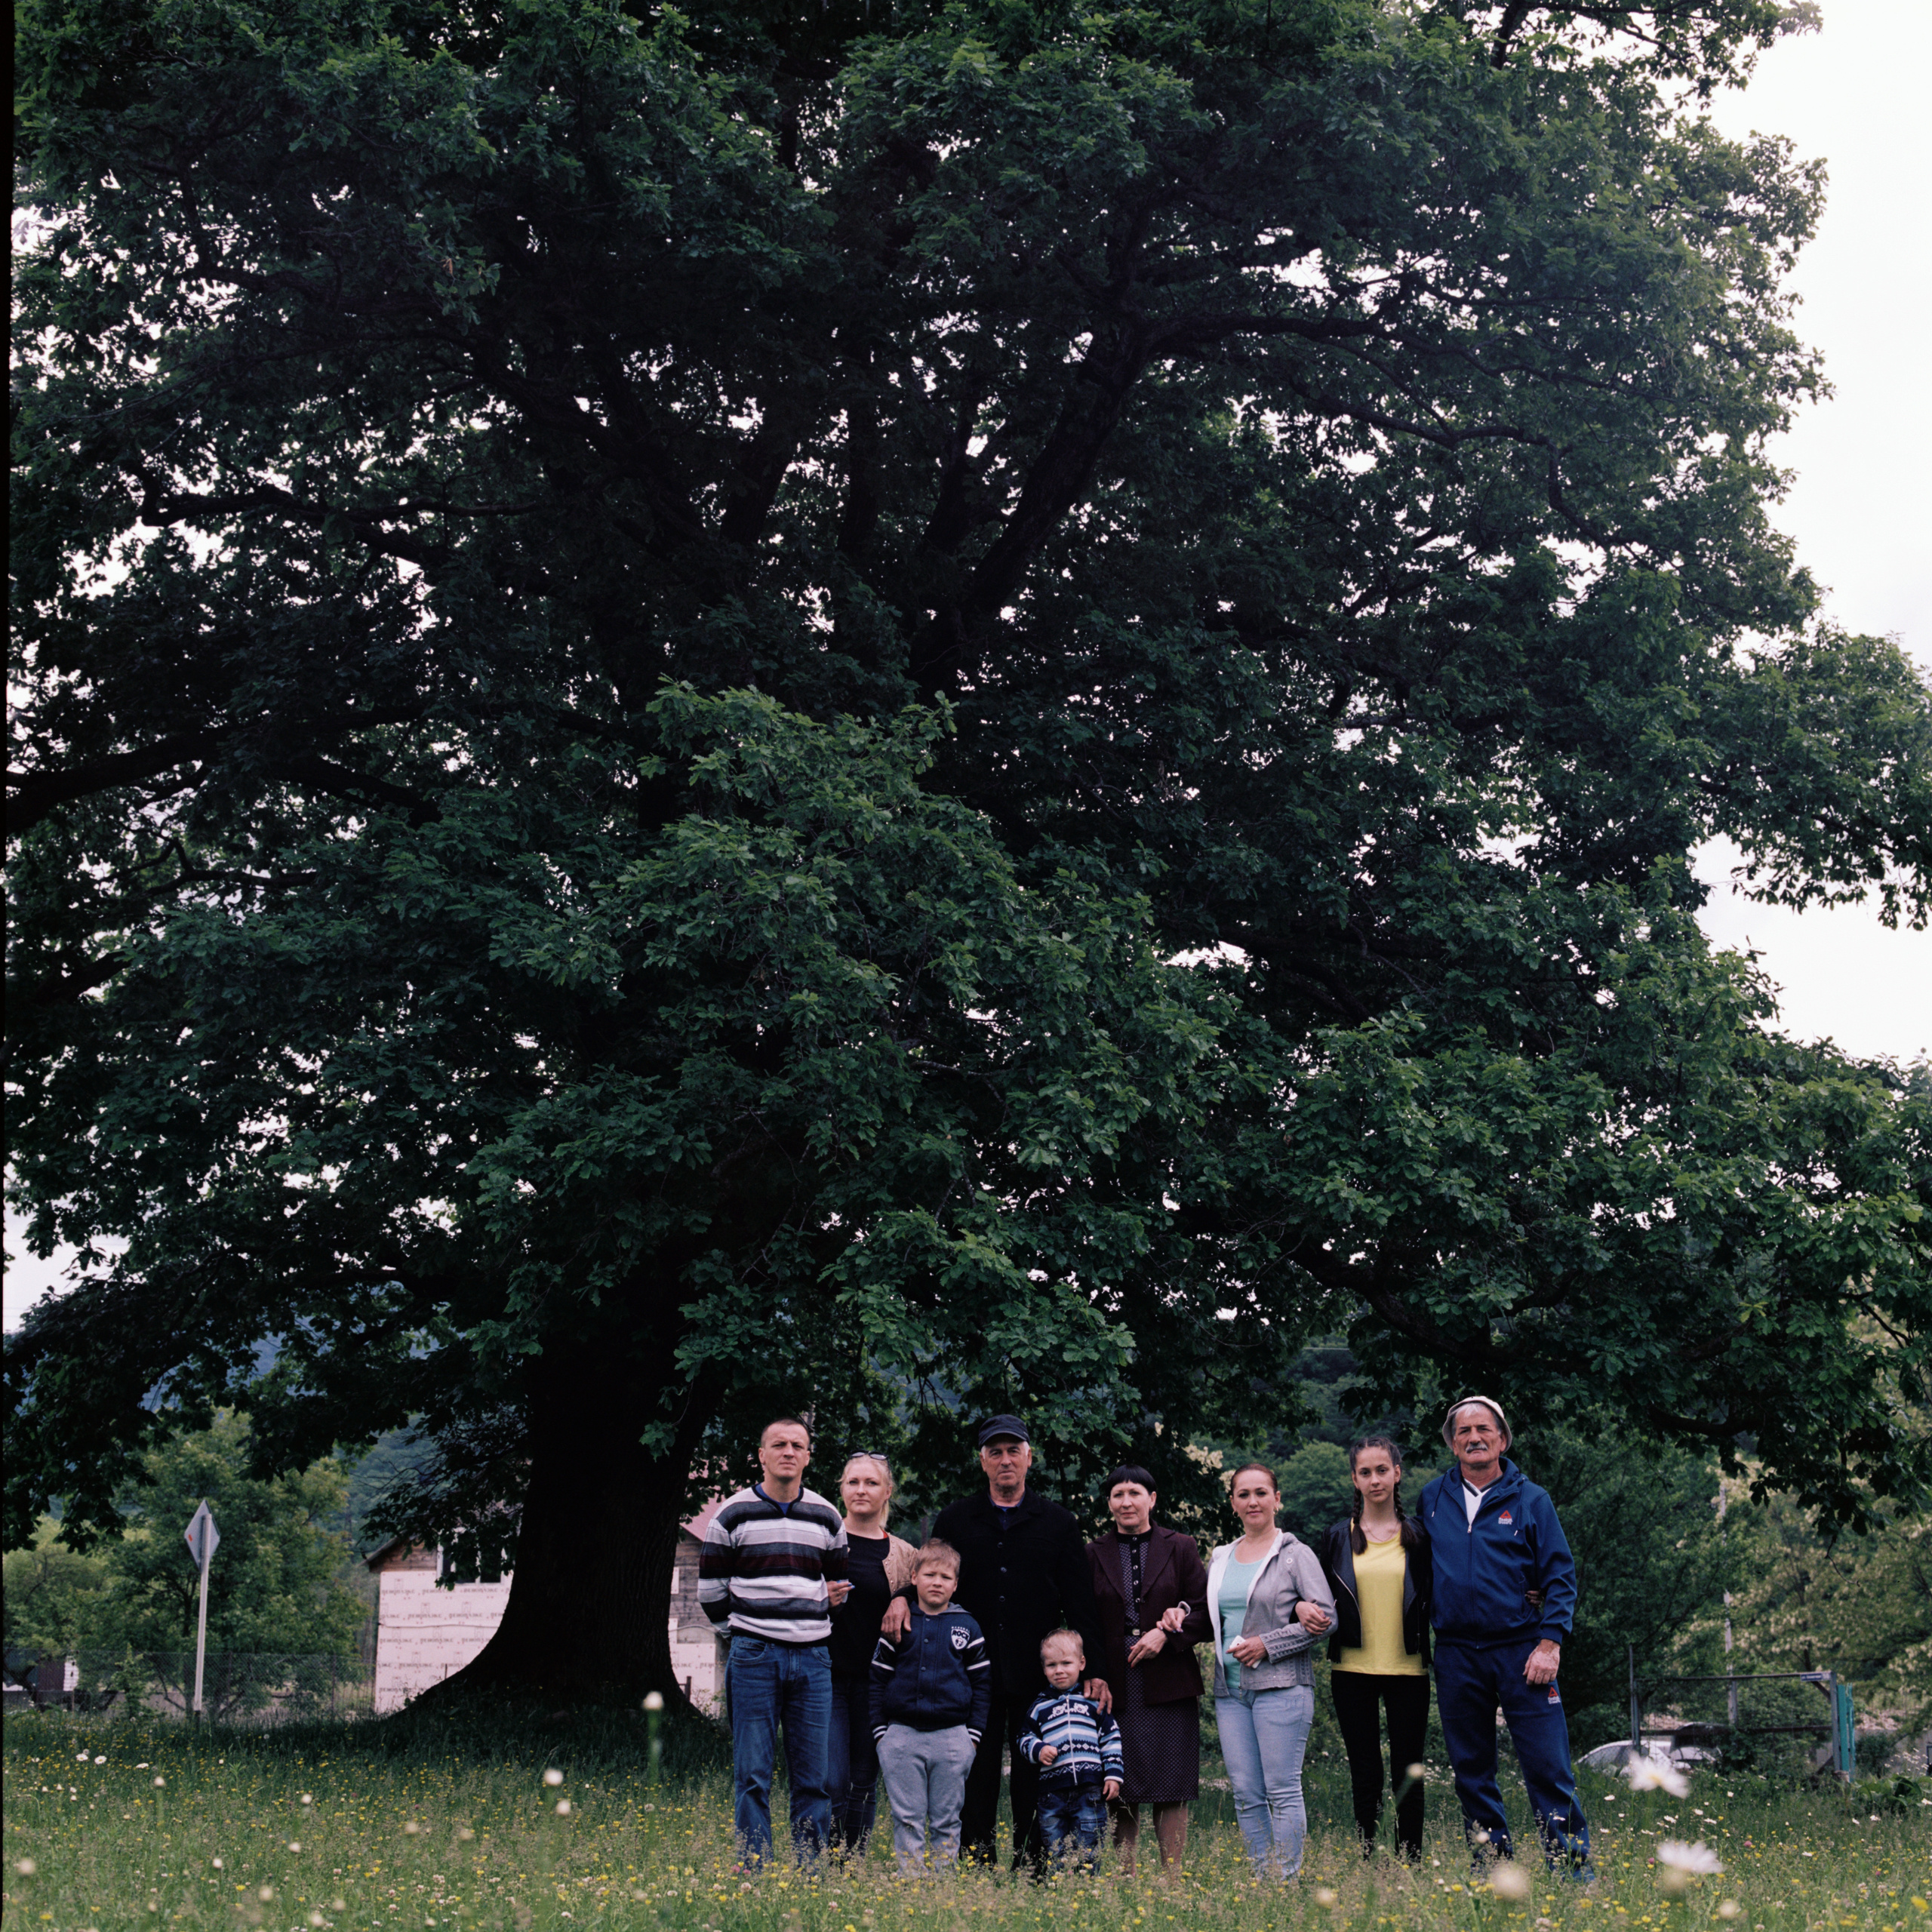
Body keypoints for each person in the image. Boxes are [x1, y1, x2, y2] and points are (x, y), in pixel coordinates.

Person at [879, 1414, 1106, 1869]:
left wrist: (1094, 1669)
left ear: (1029, 1457)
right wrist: (903, 1598)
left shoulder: (1059, 1523)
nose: (1006, 1460)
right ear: (982, 1461)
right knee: (973, 1772)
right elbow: (931, 1571)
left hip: (1035, 1670)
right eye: (995, 1452)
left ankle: (1036, 1865)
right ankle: (976, 1863)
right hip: (966, 1672)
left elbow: (1081, 1602)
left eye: (1013, 1451)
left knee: (1037, 1769)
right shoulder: (957, 1518)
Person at [1418, 1396, 1592, 1878]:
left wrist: (1550, 1642)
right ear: (1453, 1444)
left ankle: (1573, 1873)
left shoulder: (1531, 1498)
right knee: (1472, 1773)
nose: (1474, 1437)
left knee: (1548, 1769)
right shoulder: (1432, 1498)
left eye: (1484, 1429)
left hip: (1523, 1650)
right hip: (1456, 1653)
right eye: (1464, 1431)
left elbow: (1559, 1575)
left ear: (1502, 1438)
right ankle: (1494, 1871)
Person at [699, 1416, 851, 1865]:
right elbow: (710, 1593)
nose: (789, 1451)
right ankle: (755, 1869)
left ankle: (809, 1870)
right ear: (761, 1456)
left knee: (814, 1778)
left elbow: (837, 1590)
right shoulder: (732, 1514)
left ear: (807, 1456)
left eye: (797, 1445)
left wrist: (807, 1617)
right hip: (754, 1658)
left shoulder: (827, 1516)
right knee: (752, 1774)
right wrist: (746, 1633)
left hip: (813, 1660)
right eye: (779, 1444)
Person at [1205, 1460, 1336, 1881]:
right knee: (1246, 1793)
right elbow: (1215, 1615)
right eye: (1243, 1494)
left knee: (1281, 1790)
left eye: (1261, 1492)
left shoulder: (1296, 1555)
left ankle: (1287, 1881)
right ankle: (1264, 1880)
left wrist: (1268, 1644)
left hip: (1281, 1687)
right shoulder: (1221, 1557)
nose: (1253, 1501)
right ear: (1233, 1504)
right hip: (1231, 1692)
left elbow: (1327, 1618)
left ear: (1277, 1499)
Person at [1086, 1464, 1211, 1875]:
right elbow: (1084, 1617)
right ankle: (1126, 1876)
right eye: (1118, 1494)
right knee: (1121, 1780)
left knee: (1170, 1780)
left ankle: (1172, 1879)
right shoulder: (1093, 1552)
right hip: (1114, 1679)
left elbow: (1206, 1611)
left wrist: (1166, 1634)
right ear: (1109, 1503)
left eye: (1135, 1493)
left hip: (1170, 1676)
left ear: (1152, 1500)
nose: (1126, 1501)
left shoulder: (1181, 1546)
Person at [1318, 1434, 1433, 1863]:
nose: (1374, 1479)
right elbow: (1313, 1596)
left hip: (1409, 1671)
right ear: (1354, 1479)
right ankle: (1368, 1857)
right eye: (1365, 1472)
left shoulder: (1420, 1536)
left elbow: (1452, 1587)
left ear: (1397, 1473)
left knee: (1409, 1772)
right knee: (1365, 1773)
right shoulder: (1336, 1537)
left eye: (1382, 1470)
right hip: (1352, 1671)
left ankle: (1411, 1863)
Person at [869, 1540, 992, 1872]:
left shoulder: (967, 1626)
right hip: (902, 1737)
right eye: (929, 1574)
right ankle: (911, 1882)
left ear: (955, 1584)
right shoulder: (900, 1623)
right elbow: (877, 1680)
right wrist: (883, 1734)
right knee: (907, 1817)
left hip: (952, 1739)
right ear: (914, 1577)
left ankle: (941, 1886)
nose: (937, 1582)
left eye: (945, 1577)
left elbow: (981, 1685)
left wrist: (973, 1737)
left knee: (947, 1818)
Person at [827, 1453, 921, 1854]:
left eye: (870, 1483)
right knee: (830, 1778)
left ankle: (851, 1862)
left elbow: (926, 1605)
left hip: (877, 1682)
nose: (861, 1490)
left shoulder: (906, 1555)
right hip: (825, 1678)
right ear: (842, 1489)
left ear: (887, 1492)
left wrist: (903, 1596)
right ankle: (823, 1859)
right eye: (853, 1482)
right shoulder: (822, 1541)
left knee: (864, 1777)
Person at [1017, 1632, 1124, 1871]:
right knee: (1056, 1848)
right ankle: (1061, 1890)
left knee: (1089, 1846)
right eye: (1052, 1665)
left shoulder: (1092, 1702)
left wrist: (1113, 1775)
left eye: (1066, 1663)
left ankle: (1087, 1891)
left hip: (1090, 1790)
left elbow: (1110, 1737)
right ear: (1044, 1668)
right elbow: (1024, 1737)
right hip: (1052, 1793)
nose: (1059, 1670)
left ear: (1082, 1663)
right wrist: (1038, 1749)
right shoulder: (1040, 1706)